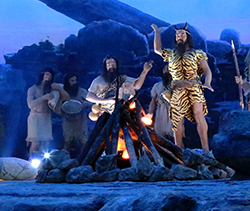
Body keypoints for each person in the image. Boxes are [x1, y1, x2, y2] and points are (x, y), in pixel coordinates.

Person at [151, 23, 213, 152]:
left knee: (199, 115)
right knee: (177, 118)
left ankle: (206, 149)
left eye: (182, 34)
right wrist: (157, 33)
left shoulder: (197, 53)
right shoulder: (171, 54)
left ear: (187, 36)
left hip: (193, 86)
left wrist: (207, 82)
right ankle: (178, 150)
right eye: (177, 34)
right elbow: (157, 49)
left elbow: (207, 69)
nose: (179, 36)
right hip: (178, 88)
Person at [86, 57, 153, 120]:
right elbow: (89, 97)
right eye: (108, 63)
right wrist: (107, 100)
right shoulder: (98, 80)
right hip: (105, 114)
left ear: (116, 65)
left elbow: (137, 86)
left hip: (122, 112)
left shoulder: (123, 79)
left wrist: (145, 71)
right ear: (105, 66)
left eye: (113, 63)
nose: (111, 65)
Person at [26, 68, 69, 155]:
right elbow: (30, 105)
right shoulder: (33, 89)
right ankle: (31, 160)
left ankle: (42, 161)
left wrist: (60, 89)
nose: (48, 77)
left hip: (46, 117)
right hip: (35, 117)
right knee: (36, 142)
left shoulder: (51, 89)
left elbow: (67, 98)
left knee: (45, 143)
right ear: (42, 75)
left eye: (50, 76)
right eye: (46, 75)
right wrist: (44, 97)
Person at [58, 73, 91, 156]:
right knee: (67, 142)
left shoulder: (82, 91)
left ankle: (84, 159)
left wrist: (86, 104)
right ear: (67, 81)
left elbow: (92, 103)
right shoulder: (63, 92)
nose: (74, 82)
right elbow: (57, 106)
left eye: (75, 80)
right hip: (68, 121)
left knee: (84, 142)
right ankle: (65, 159)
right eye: (72, 81)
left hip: (80, 120)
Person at [146, 64, 174, 141]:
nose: (167, 71)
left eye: (169, 69)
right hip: (160, 115)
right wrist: (150, 114)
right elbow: (153, 101)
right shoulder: (157, 86)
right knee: (159, 138)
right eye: (165, 69)